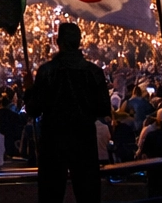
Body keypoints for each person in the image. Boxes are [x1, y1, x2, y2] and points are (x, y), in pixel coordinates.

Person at [26, 23, 111, 203]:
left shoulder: (47, 71)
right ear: (79, 42)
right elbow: (103, 108)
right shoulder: (93, 72)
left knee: (51, 196)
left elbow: (33, 109)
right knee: (88, 196)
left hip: (53, 143)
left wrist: (29, 91)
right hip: (84, 142)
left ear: (58, 42)